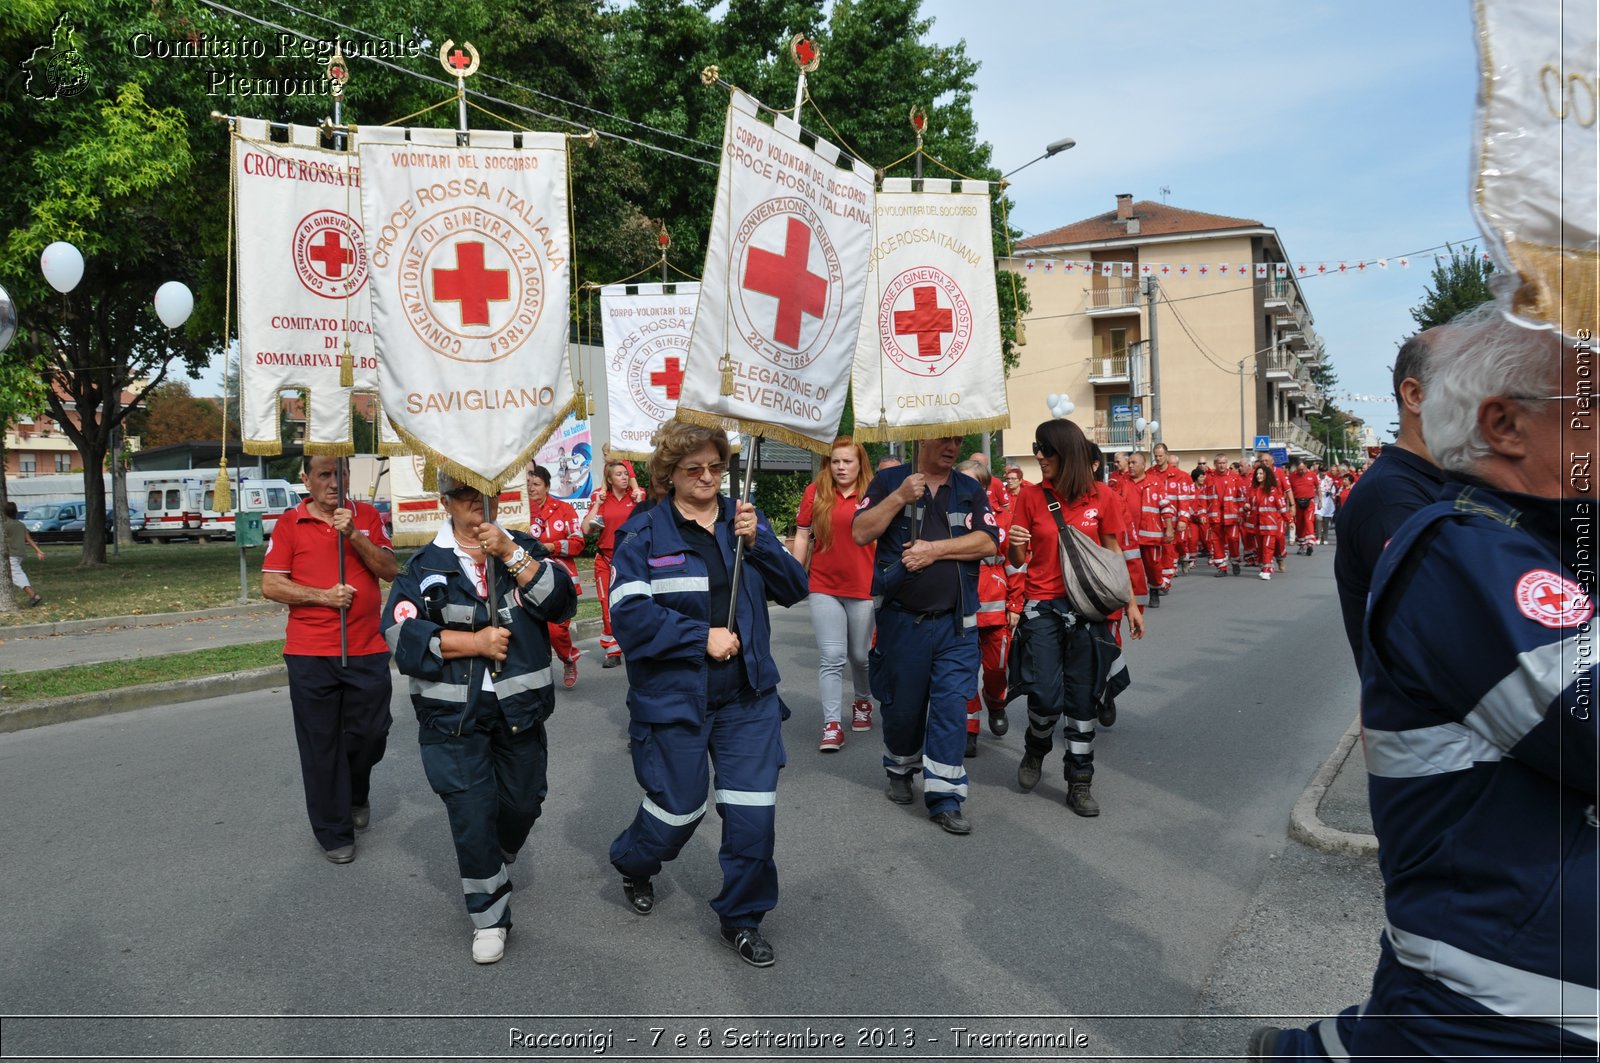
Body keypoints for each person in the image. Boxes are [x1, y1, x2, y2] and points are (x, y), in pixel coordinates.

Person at [1253, 305, 1596, 1061]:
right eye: (1592, 404)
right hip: (1501, 978)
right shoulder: (1437, 527)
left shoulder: (1508, 525)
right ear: (1501, 425)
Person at [606, 420, 809, 968]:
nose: (706, 478)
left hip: (748, 698)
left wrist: (760, 541)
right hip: (675, 701)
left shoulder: (747, 523)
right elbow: (628, 617)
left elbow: (796, 589)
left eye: (715, 468)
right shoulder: (643, 534)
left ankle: (741, 917)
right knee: (677, 811)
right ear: (668, 473)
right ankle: (633, 861)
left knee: (752, 818)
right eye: (693, 469)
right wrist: (701, 637)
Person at [383, 470, 576, 965]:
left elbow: (562, 603)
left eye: (484, 492)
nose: (477, 503)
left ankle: (500, 850)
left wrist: (510, 553)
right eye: (465, 494)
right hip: (452, 719)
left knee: (523, 803)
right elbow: (401, 639)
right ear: (445, 501)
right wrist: (474, 643)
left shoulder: (523, 549)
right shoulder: (423, 566)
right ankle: (489, 915)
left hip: (521, 711)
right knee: (471, 817)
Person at [852, 434, 999, 835]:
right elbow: (862, 532)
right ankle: (899, 767)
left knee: (952, 706)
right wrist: (899, 496)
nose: (952, 446)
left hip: (956, 624)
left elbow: (988, 540)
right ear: (921, 437)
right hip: (902, 623)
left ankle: (945, 797)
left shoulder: (968, 488)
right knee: (904, 708)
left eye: (957, 440)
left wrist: (934, 550)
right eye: (944, 439)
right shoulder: (889, 481)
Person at [261, 456, 398, 864]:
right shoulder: (290, 523)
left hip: (366, 648)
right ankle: (333, 831)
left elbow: (391, 570)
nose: (334, 483)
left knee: (370, 734)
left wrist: (354, 534)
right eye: (324, 475)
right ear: (306, 479)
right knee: (321, 744)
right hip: (309, 653)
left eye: (340, 473)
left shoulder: (369, 516)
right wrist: (322, 597)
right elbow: (271, 584)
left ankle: (357, 791)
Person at [1007, 419, 1144, 816]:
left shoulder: (1102, 495)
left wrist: (1131, 604)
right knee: (1046, 697)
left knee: (1082, 702)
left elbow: (1113, 555)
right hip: (1043, 608)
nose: (1038, 456)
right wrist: (1016, 548)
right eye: (1036, 447)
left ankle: (1079, 782)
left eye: (1045, 450)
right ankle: (1036, 747)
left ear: (1066, 453)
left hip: (1089, 612)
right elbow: (1017, 560)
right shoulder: (1031, 497)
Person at [1332, 328, 1446, 667]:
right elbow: (1441, 632)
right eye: (1471, 381)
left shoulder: (1448, 479)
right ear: (1414, 396)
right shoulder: (1392, 500)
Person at [790, 436, 877, 750]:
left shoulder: (874, 493)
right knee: (832, 657)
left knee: (861, 656)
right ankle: (831, 724)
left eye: (847, 461)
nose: (841, 467)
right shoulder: (815, 492)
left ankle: (863, 700)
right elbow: (802, 535)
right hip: (824, 586)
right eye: (835, 461)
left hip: (864, 588)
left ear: (859, 464)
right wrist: (794, 573)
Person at [956, 458, 1015, 753]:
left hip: (996, 607)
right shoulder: (948, 514)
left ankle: (995, 701)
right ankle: (969, 728)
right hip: (960, 605)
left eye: (972, 482)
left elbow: (1017, 564)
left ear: (984, 486)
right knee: (964, 670)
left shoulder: (1003, 517)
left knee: (996, 669)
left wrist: (1016, 604)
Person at [525, 464, 585, 688]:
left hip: (559, 581)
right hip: (527, 580)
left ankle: (568, 658)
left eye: (537, 484)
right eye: (529, 485)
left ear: (547, 486)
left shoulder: (564, 510)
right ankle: (537, 678)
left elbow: (579, 543)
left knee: (556, 630)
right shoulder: (524, 514)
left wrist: (551, 547)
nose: (532, 489)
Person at [582, 459, 639, 667]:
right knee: (607, 604)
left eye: (626, 474)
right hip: (605, 559)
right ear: (609, 478)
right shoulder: (600, 496)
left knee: (632, 601)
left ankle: (633, 644)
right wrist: (597, 503)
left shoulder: (637, 495)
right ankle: (613, 651)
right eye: (618, 474)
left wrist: (641, 502)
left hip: (632, 559)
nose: (624, 477)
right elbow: (586, 529)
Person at [1126, 451, 1173, 606]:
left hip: (1150, 534)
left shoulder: (1156, 483)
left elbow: (1166, 506)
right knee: (1131, 567)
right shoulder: (1122, 483)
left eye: (1134, 463)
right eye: (1129, 463)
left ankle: (1154, 588)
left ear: (1143, 465)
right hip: (1129, 536)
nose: (1130, 466)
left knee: (1153, 566)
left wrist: (1169, 528)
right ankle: (1133, 597)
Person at [1243, 464, 1286, 580]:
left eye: (1261, 473)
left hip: (1269, 524)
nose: (1258, 476)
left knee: (1268, 547)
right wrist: (1246, 507)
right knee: (1260, 548)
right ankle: (1265, 566)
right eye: (1257, 474)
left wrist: (1290, 520)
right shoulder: (1252, 490)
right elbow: (1248, 505)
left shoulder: (1273, 490)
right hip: (1256, 525)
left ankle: (1267, 569)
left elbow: (1281, 507)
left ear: (1267, 475)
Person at [4, 501, 46, 607]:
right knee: (11, 573)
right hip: (20, 553)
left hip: (12, 553)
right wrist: (38, 550)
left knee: (17, 574)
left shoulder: (5, 525)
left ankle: (33, 595)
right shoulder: (21, 525)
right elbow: (28, 539)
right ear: (16, 512)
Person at [1208, 454, 1245, 575]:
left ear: (1227, 463)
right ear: (1215, 464)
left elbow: (1241, 497)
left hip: (1231, 515)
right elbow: (1204, 498)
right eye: (1219, 463)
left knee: (1233, 539)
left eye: (1224, 463)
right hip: (1215, 514)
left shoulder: (1235, 477)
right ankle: (1222, 567)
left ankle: (1235, 561)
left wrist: (1240, 513)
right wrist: (1204, 513)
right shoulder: (1210, 478)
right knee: (1217, 541)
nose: (1221, 465)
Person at [1286, 457, 1319, 553]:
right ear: (1296, 468)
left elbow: (1318, 487)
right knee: (1299, 524)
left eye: (1303, 469)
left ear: (1306, 467)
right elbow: (1289, 491)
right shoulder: (1292, 476)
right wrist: (1289, 505)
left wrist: (1320, 500)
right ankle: (1302, 543)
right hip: (1297, 502)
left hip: (1310, 502)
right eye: (1300, 469)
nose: (1302, 471)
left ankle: (1310, 543)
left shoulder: (1312, 475)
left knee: (1308, 521)